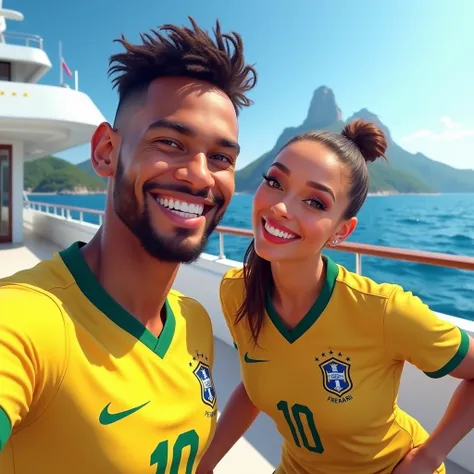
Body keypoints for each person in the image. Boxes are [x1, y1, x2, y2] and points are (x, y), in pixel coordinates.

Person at [0, 17, 257, 473]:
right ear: (105, 152)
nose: (200, 175)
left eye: (221, 157)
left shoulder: (194, 321)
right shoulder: (25, 319)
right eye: (170, 142)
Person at [197, 119, 474, 474]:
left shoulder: (383, 310)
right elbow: (254, 388)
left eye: (314, 202)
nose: (281, 208)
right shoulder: (236, 291)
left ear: (341, 231)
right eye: (274, 182)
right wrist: (203, 465)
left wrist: (429, 456)